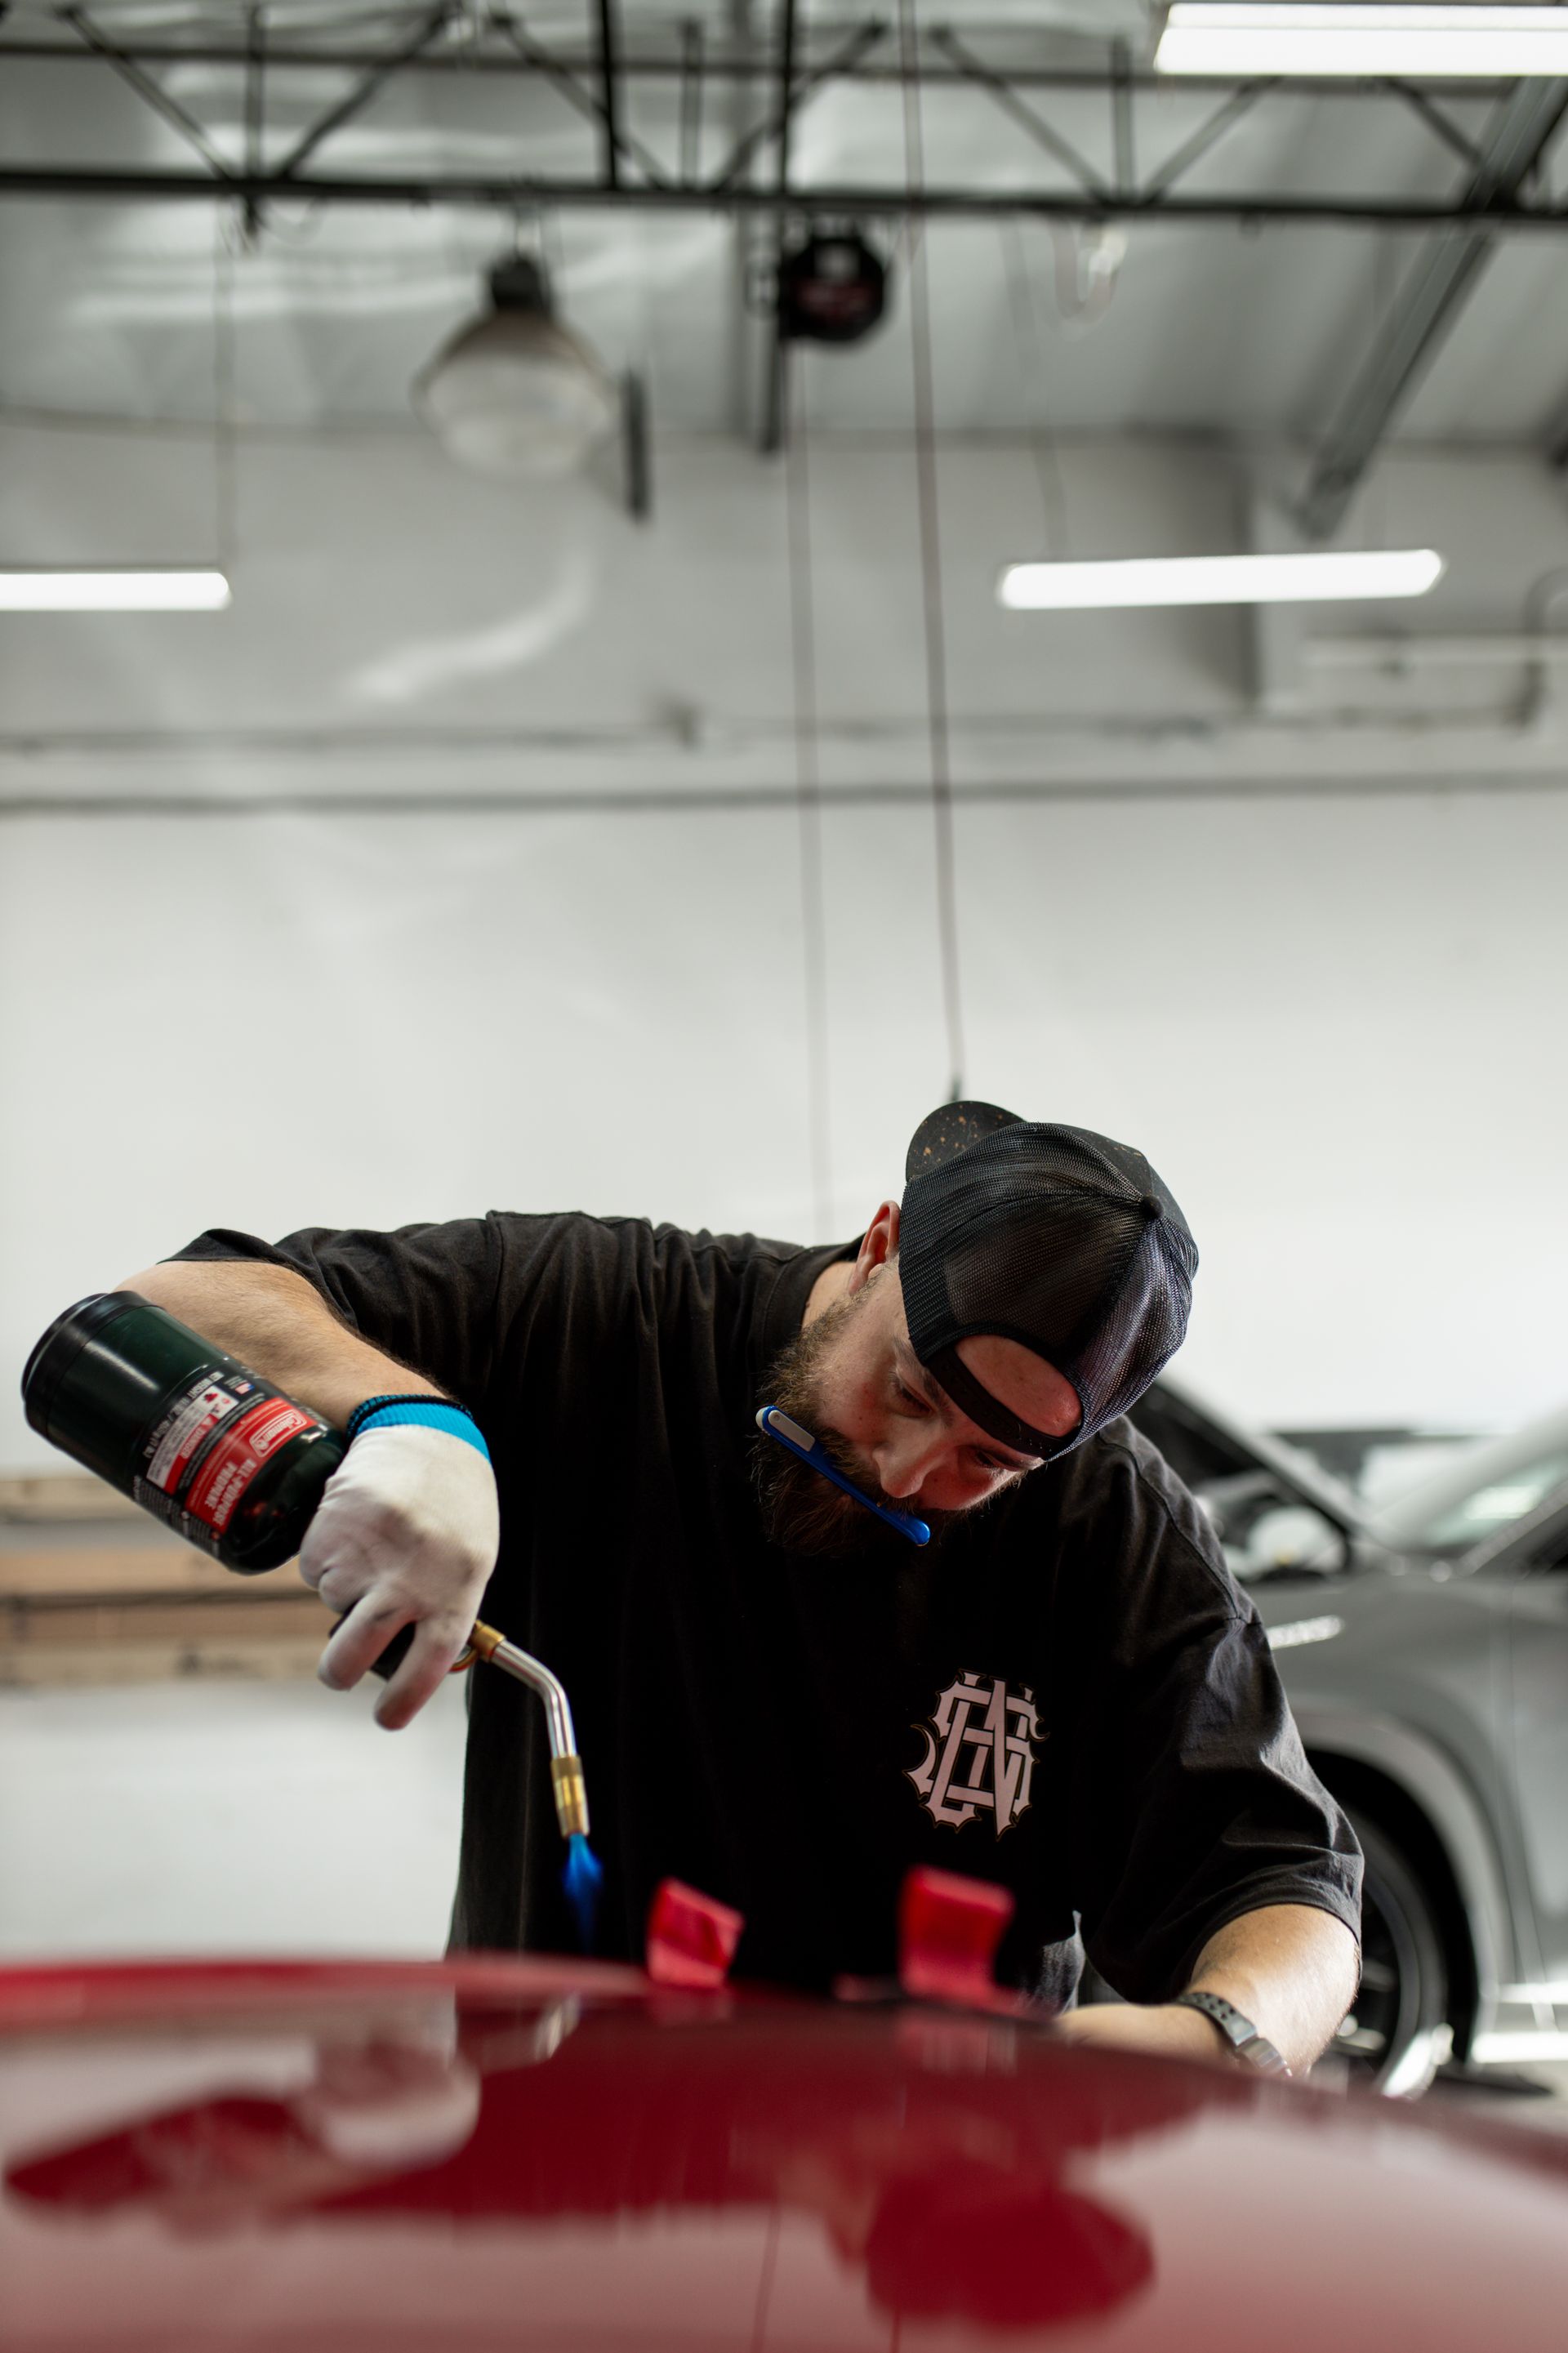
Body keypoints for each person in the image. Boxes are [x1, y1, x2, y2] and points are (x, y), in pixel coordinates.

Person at [121, 1101, 1361, 2074]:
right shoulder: (605, 1315)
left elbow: (1289, 1889)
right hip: (556, 2168)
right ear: (880, 1247)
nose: (907, 1469)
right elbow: (171, 1305)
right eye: (912, 1390)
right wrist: (408, 1419)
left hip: (917, 2215)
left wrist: (1220, 2035)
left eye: (989, 1460)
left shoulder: (1115, 1533)